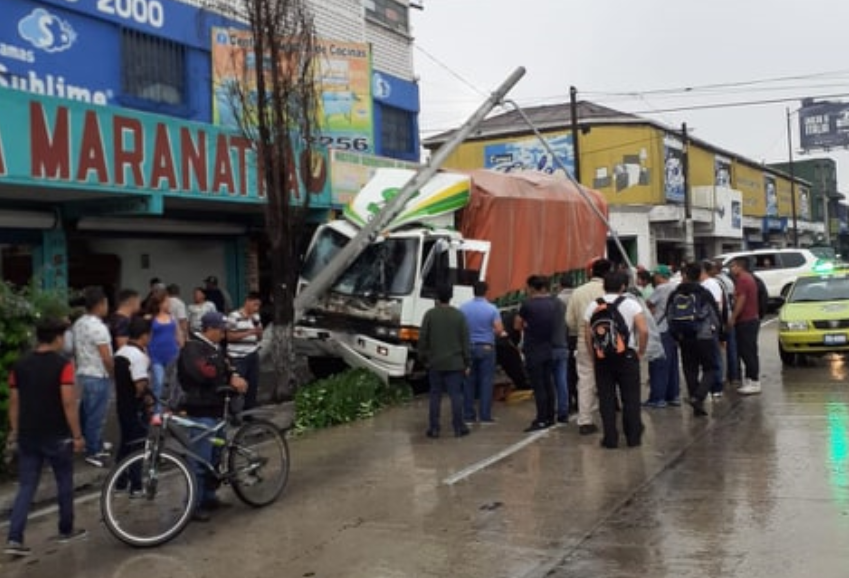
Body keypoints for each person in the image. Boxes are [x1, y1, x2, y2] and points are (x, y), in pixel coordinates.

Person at [5, 318, 87, 556]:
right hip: (57, 434)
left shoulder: (19, 365)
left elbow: (14, 401)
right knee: (64, 481)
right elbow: (68, 402)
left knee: (26, 486)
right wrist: (77, 435)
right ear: (58, 338)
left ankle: (14, 538)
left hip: (28, 435)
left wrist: (15, 430)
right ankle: (65, 529)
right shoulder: (63, 365)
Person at [177, 311, 248, 521]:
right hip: (200, 410)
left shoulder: (216, 349)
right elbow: (204, 372)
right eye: (221, 330)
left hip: (217, 409)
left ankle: (209, 496)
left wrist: (232, 374)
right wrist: (225, 373)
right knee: (200, 460)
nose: (224, 334)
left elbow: (228, 366)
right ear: (210, 329)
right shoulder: (193, 349)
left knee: (215, 456)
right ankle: (193, 504)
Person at [584, 271, 648, 449]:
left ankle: (610, 438)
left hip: (602, 358)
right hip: (627, 356)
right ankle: (633, 437)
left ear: (604, 286)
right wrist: (640, 352)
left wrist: (593, 355)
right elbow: (643, 330)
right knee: (631, 398)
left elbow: (587, 335)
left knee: (606, 398)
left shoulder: (593, 305)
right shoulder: (631, 304)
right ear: (623, 286)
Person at [667, 263, 722, 417]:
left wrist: (675, 335)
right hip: (704, 336)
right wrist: (719, 333)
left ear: (684, 276)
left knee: (690, 369)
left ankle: (697, 405)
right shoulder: (703, 293)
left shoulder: (675, 294)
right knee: (710, 368)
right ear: (699, 276)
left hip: (684, 337)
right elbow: (714, 315)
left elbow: (669, 315)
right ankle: (698, 397)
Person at [566, 258, 613, 436]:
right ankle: (610, 416)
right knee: (610, 378)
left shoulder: (577, 292)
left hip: (583, 340)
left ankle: (585, 420)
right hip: (610, 341)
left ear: (591, 272)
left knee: (585, 380)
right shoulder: (611, 291)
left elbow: (569, 321)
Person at [419, 285, 471, 439]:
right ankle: (458, 427)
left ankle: (434, 428)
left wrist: (424, 359)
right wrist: (467, 362)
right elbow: (465, 341)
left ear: (436, 298)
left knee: (435, 395)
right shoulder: (459, 316)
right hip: (455, 363)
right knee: (456, 395)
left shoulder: (429, 315)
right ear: (451, 296)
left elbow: (423, 340)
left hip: (435, 363)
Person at [73, 286, 114, 468]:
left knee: (85, 412)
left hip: (83, 373)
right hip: (98, 375)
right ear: (100, 305)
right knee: (96, 416)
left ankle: (91, 442)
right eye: (106, 303)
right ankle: (94, 451)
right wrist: (113, 374)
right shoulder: (99, 328)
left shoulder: (79, 323)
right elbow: (106, 356)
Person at [113, 316, 154, 495]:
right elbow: (140, 385)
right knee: (138, 445)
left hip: (122, 404)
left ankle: (120, 481)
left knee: (125, 443)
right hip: (135, 406)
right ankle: (136, 485)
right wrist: (148, 401)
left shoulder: (121, 352)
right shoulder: (138, 356)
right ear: (144, 336)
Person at [515, 275, 558, 432]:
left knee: (538, 386)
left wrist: (527, 325)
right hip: (549, 348)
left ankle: (541, 419)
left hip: (534, 349)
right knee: (548, 384)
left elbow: (517, 325)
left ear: (533, 288)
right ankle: (550, 416)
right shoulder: (554, 303)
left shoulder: (528, 305)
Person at [460, 281, 505, 424]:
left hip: (468, 347)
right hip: (486, 348)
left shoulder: (463, 308)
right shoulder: (492, 309)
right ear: (486, 292)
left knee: (468, 381)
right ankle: (485, 416)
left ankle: (468, 415)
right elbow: (499, 330)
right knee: (486, 381)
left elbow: (460, 328)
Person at [644, 265, 680, 407]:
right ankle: (673, 395)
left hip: (660, 329)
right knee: (672, 365)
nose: (654, 277)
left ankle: (657, 398)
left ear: (660, 276)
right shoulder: (675, 287)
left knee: (658, 365)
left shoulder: (660, 289)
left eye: (656, 275)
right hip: (673, 329)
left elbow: (648, 305)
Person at [729, 257, 761, 395]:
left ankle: (754, 381)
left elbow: (741, 300)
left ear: (740, 267)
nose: (731, 269)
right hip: (751, 319)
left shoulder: (743, 279)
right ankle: (750, 379)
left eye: (733, 266)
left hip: (746, 320)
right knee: (748, 351)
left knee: (748, 352)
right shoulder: (748, 278)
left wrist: (733, 317)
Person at [227, 292, 264, 410]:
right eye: (254, 305)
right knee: (237, 387)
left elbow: (259, 337)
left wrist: (259, 333)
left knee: (252, 386)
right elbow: (229, 336)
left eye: (258, 306)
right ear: (247, 301)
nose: (256, 308)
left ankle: (249, 412)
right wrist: (249, 332)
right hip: (238, 357)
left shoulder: (256, 317)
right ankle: (235, 413)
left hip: (252, 354)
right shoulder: (234, 316)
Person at [146, 292, 183, 409]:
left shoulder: (172, 318)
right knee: (159, 382)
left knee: (172, 383)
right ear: (160, 303)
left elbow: (178, 334)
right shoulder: (150, 318)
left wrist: (182, 346)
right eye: (166, 302)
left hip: (172, 354)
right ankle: (157, 409)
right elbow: (147, 337)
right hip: (156, 355)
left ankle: (168, 407)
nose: (169, 304)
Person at [703, 260, 733, 399]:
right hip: (708, 327)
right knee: (711, 357)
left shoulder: (712, 284)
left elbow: (717, 307)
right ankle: (711, 385)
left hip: (713, 326)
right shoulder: (706, 284)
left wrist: (720, 327)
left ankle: (717, 386)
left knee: (716, 357)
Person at [715, 260, 741, 388]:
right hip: (729, 315)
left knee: (722, 349)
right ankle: (734, 376)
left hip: (724, 318)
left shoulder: (716, 282)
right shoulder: (728, 281)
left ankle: (723, 378)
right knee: (732, 348)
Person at [556, 275, 579, 416]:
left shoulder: (558, 300)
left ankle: (567, 402)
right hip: (579, 336)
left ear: (560, 285)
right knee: (579, 371)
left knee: (567, 371)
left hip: (565, 338)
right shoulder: (578, 296)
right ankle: (580, 401)